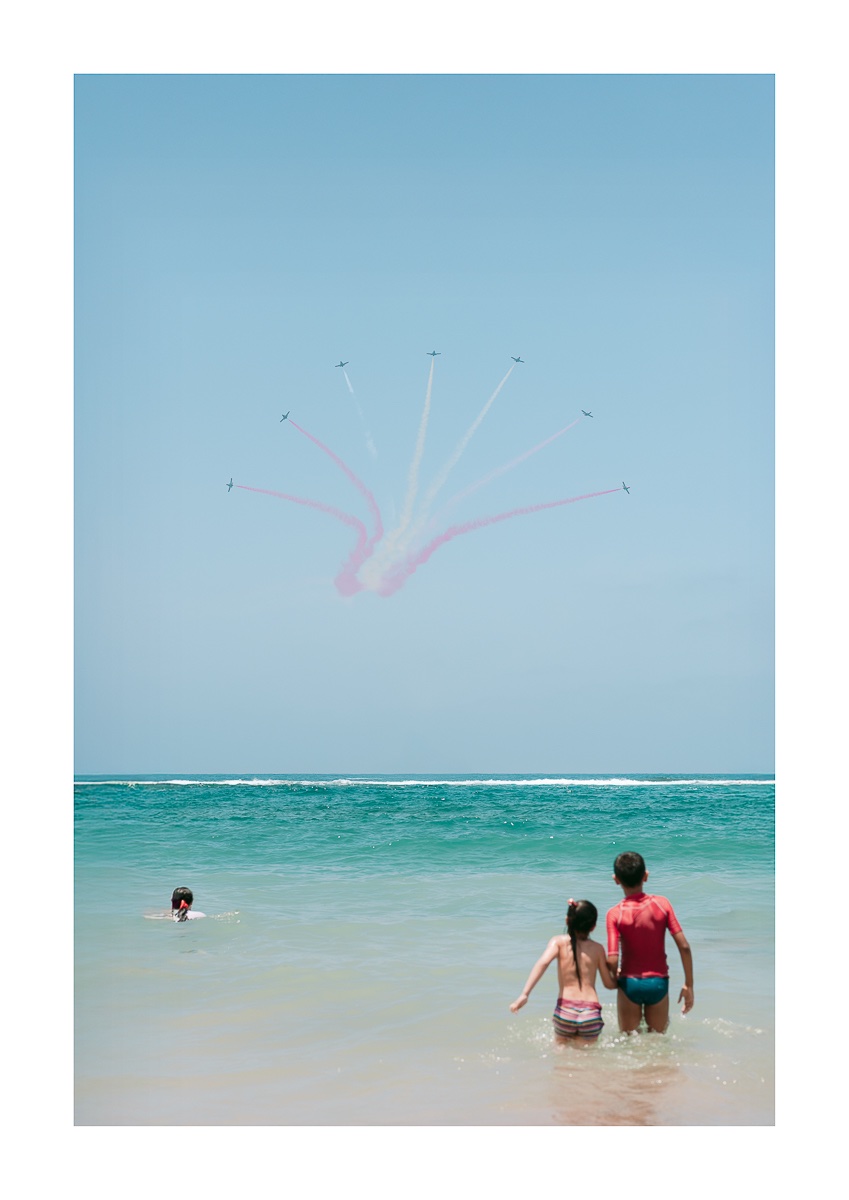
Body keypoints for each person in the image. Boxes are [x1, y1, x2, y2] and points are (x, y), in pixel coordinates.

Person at [606, 851, 693, 1034]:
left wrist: (614, 977)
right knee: (658, 1040)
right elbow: (684, 946)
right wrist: (688, 985)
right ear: (646, 876)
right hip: (658, 983)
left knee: (628, 1040)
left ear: (616, 880)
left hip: (630, 983)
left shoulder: (615, 913)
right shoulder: (662, 904)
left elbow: (613, 959)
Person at [510, 899, 618, 1043]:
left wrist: (524, 994)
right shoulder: (598, 949)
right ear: (593, 927)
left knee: (562, 1058)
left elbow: (543, 963)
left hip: (565, 1011)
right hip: (590, 1014)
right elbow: (609, 984)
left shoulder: (558, 942)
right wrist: (621, 975)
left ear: (567, 920)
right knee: (589, 1060)